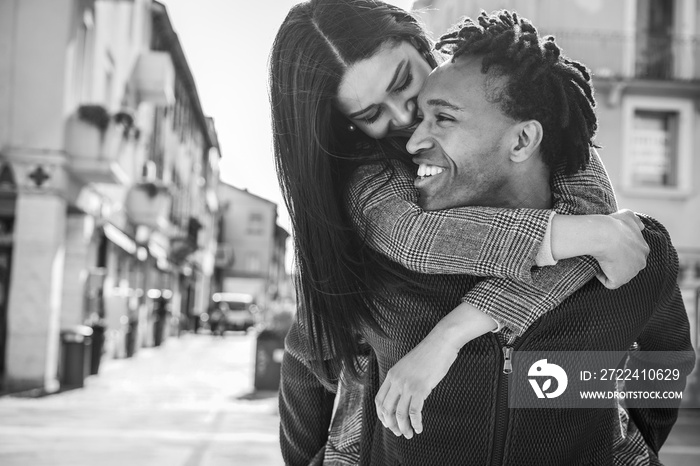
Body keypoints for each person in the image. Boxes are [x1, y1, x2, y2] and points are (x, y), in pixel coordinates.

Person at [284, 9, 694, 465]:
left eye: (404, 85)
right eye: (371, 113)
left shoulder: (626, 245)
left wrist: (620, 443)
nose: (404, 122)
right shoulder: (367, 236)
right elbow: (311, 357)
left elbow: (664, 366)